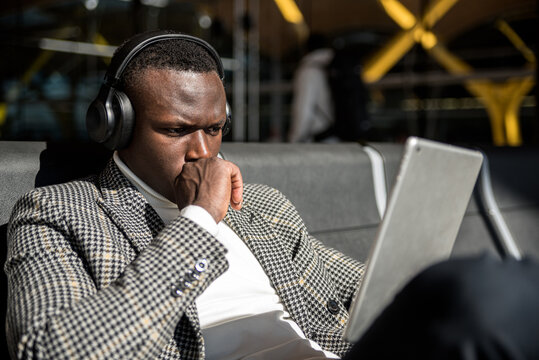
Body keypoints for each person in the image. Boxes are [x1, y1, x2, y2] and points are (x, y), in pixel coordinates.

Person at [5, 30, 539, 360]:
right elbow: (53, 350)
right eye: (175, 130)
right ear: (115, 127)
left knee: (490, 295)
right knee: (485, 300)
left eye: (215, 129)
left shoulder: (262, 207)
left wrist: (412, 267)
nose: (202, 151)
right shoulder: (58, 212)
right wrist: (197, 224)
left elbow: (365, 291)